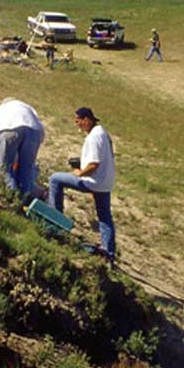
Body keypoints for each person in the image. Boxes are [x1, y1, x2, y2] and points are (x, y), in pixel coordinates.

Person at [47, 107, 116, 261]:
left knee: (54, 179)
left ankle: (55, 224)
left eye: (78, 121)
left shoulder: (93, 137)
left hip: (93, 181)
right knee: (105, 217)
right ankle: (109, 252)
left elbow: (94, 164)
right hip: (106, 182)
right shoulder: (103, 133)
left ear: (87, 120)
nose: (77, 124)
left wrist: (80, 172)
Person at [0, 98, 45, 202]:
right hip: (34, 132)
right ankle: (25, 200)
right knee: (26, 171)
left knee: (5, 169)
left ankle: (12, 198)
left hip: (10, 129)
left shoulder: (1, 109)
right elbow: (40, 128)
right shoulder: (27, 107)